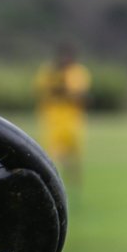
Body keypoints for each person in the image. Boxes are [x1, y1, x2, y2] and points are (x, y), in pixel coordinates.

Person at [34, 42, 91, 191]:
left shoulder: (78, 72)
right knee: (53, 156)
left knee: (75, 157)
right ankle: (53, 185)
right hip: (53, 120)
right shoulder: (48, 72)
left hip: (73, 120)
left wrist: (64, 90)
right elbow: (43, 92)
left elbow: (79, 95)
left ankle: (75, 187)